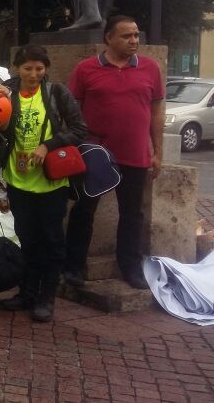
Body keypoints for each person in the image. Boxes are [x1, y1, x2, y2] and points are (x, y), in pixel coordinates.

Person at [65, 16, 163, 289]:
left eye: (136, 35)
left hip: (135, 155)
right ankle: (73, 266)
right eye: (126, 36)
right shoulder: (86, 69)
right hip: (96, 155)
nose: (134, 41)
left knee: (132, 214)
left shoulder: (150, 68)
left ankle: (130, 268)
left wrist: (158, 151)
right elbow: (72, 111)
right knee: (83, 211)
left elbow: (156, 111)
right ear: (108, 37)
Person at [0, 45, 87, 322]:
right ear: (17, 69)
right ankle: (26, 293)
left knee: (52, 241)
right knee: (26, 239)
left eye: (39, 68)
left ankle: (46, 297)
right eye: (27, 68)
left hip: (51, 182)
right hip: (18, 180)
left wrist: (49, 145)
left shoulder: (57, 93)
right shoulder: (7, 92)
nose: (34, 74)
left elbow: (79, 129)